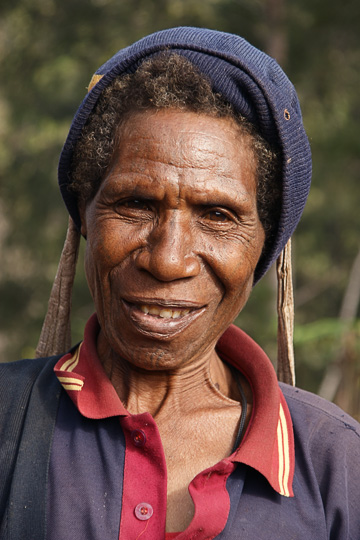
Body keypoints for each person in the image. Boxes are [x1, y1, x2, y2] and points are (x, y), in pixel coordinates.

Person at [0, 27, 359, 540]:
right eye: (135, 204)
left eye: (217, 215)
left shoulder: (337, 468)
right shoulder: (7, 422)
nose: (168, 261)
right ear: (85, 216)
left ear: (266, 244)